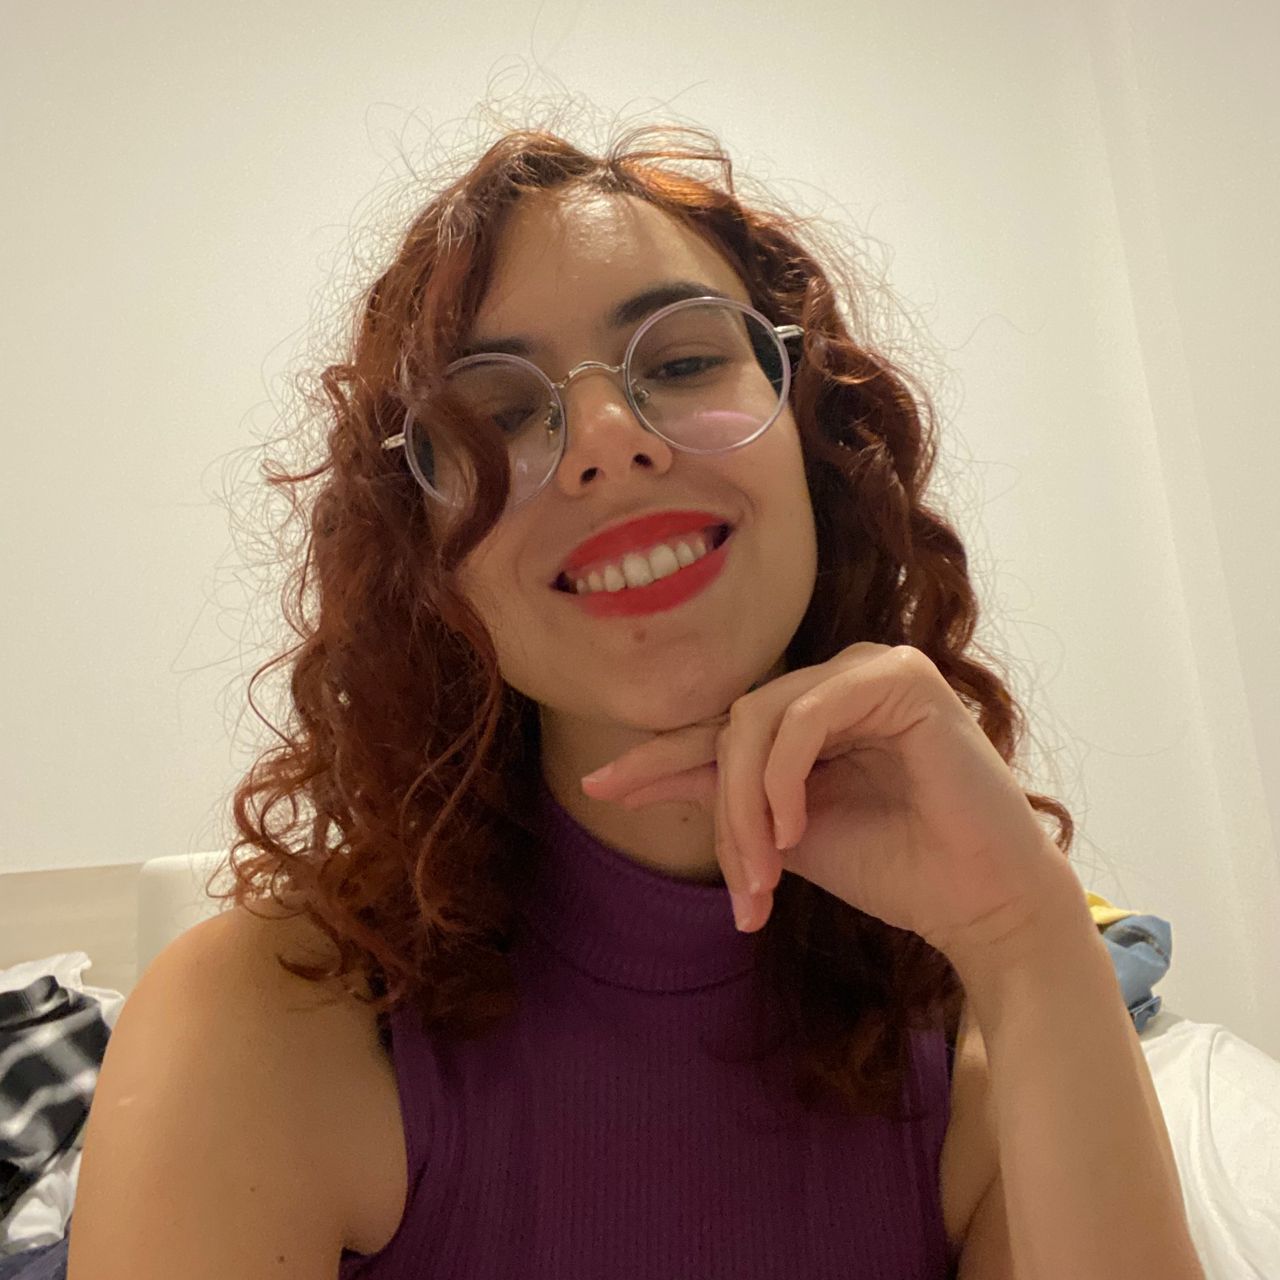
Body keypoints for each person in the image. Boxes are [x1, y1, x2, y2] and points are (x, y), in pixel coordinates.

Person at [58, 122, 1202, 1280]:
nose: (606, 442)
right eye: (498, 414)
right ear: (428, 561)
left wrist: (1026, 936)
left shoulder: (984, 1025)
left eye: (681, 362)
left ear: (815, 440)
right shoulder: (264, 1025)